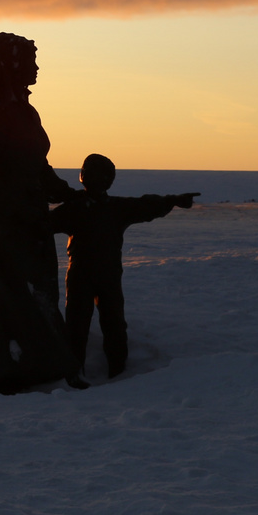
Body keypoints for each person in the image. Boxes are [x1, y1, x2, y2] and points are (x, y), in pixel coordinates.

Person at [0, 32, 88, 393]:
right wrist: (19, 211)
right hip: (6, 225)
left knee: (39, 294)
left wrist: (64, 193)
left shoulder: (23, 111)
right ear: (12, 65)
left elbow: (37, 166)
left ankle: (36, 364)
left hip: (30, 219)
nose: (36, 67)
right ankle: (6, 370)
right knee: (9, 296)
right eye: (30, 60)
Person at [49, 154, 198, 379]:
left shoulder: (114, 207)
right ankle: (74, 375)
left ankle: (117, 372)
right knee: (77, 326)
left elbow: (145, 205)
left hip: (107, 274)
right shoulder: (75, 208)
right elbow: (40, 225)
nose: (100, 180)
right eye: (94, 174)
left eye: (104, 176)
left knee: (114, 325)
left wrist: (173, 200)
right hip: (81, 274)